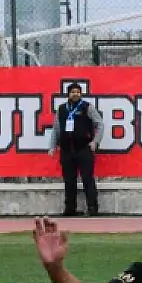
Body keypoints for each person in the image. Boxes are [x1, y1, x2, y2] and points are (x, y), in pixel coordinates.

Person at [48, 83, 101, 217]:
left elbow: (100, 124)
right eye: (72, 92)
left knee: (87, 179)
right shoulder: (61, 109)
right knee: (69, 180)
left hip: (84, 148)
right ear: (68, 94)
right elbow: (56, 129)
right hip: (66, 150)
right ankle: (70, 209)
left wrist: (95, 142)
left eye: (78, 92)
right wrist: (52, 146)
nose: (75, 94)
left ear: (81, 94)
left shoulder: (87, 107)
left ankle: (92, 208)